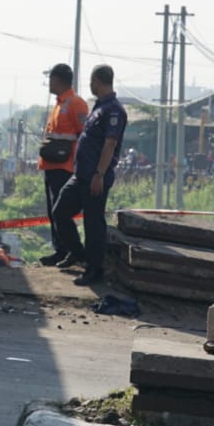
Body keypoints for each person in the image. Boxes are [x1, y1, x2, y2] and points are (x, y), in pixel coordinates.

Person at [50, 64, 127, 287]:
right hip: (81, 174)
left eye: (92, 82)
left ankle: (95, 269)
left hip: (95, 177)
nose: (90, 86)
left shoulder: (114, 110)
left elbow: (110, 143)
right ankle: (78, 253)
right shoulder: (99, 107)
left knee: (93, 224)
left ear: (98, 81)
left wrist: (100, 174)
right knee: (60, 211)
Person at [37, 63, 90, 267]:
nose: (49, 82)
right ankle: (60, 250)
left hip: (64, 166)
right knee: (53, 212)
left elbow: (83, 135)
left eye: (51, 78)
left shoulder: (76, 104)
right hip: (52, 165)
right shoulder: (59, 104)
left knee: (60, 211)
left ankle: (72, 251)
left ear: (57, 80)